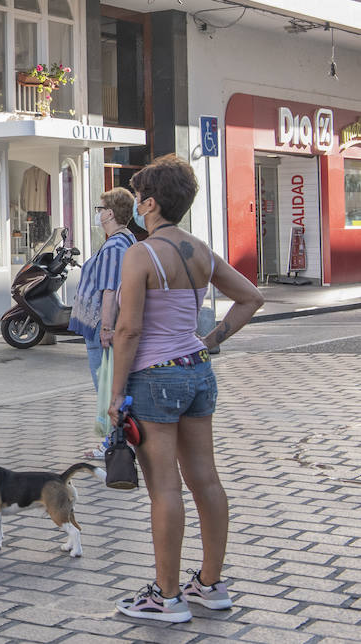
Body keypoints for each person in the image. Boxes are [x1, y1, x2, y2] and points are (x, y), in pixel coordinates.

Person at [109, 154, 263, 623]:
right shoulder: (200, 250)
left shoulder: (141, 254)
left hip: (154, 378)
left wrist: (115, 396)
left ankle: (167, 596)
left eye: (137, 199)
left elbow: (129, 330)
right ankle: (210, 585)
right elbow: (251, 297)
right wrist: (210, 341)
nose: (137, 206)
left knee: (164, 489)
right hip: (197, 370)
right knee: (206, 479)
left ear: (150, 203)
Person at [68, 187, 136, 458]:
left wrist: (106, 328)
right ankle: (120, 437)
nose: (97, 214)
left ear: (110, 212)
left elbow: (110, 289)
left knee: (107, 385)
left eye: (100, 209)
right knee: (110, 383)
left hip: (100, 327)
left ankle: (115, 441)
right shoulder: (124, 240)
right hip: (101, 326)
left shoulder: (115, 246)